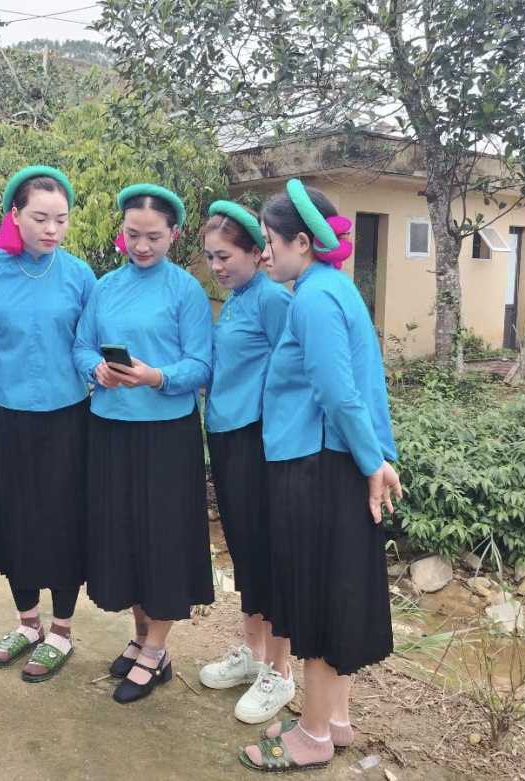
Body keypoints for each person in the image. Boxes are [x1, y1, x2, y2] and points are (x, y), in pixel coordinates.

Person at [240, 179, 402, 772]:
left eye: (270, 242)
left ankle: (311, 735)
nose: (264, 254)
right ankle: (333, 719)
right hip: (332, 460)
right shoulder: (335, 287)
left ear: (302, 243)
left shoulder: (312, 299)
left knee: (317, 596)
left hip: (317, 464)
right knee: (337, 590)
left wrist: (371, 462)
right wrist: (372, 457)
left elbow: (338, 391)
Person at [73, 183, 214, 704]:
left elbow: (201, 364)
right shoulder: (105, 287)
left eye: (154, 236)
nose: (142, 245)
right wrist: (96, 369)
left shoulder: (186, 291)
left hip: (166, 436)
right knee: (125, 536)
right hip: (110, 429)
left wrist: (157, 376)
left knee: (162, 539)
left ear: (173, 235)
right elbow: (81, 346)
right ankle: (139, 636)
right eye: (133, 234)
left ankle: (156, 650)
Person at [0, 165, 95, 682]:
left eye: (61, 219)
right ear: (14, 216)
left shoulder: (79, 275)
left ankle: (61, 629)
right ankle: (27, 622)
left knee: (65, 518)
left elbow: (86, 342)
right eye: (40, 218)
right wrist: (10, 374)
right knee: (11, 514)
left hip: (68, 417)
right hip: (3, 415)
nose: (51, 229)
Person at [198, 201, 295, 724]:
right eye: (211, 257)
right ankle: (253, 655)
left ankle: (280, 670)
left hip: (258, 440)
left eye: (226, 256)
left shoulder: (273, 299)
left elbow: (293, 371)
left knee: (269, 553)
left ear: (257, 253)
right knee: (243, 551)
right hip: (227, 436)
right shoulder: (236, 300)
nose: (217, 266)